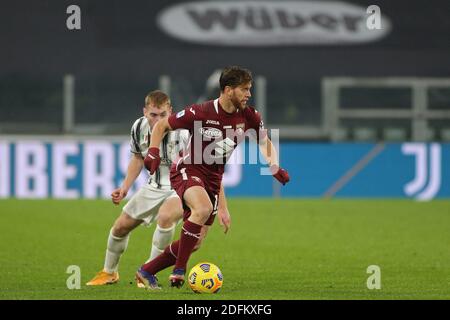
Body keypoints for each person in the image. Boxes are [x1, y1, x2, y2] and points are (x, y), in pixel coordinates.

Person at [135, 66, 290, 289]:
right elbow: (161, 125)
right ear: (228, 90)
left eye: (250, 89)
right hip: (187, 169)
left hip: (213, 179)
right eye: (244, 89)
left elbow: (264, 142)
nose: (249, 94)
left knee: (195, 242)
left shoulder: (249, 116)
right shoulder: (200, 112)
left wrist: (274, 167)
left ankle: (147, 270)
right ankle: (179, 270)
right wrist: (153, 151)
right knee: (202, 209)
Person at [86, 90, 190, 286]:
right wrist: (125, 187)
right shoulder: (138, 127)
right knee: (120, 227)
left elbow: (198, 165)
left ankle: (148, 273)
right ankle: (109, 273)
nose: (158, 120)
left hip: (180, 186)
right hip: (153, 187)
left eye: (163, 115)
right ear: (145, 112)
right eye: (153, 115)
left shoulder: (184, 133)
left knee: (166, 217)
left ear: (171, 112)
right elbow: (137, 158)